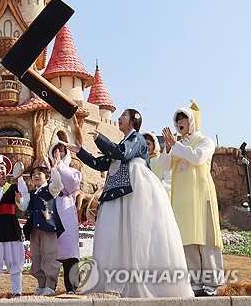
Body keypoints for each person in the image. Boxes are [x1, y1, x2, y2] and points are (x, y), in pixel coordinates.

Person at [67, 108, 193, 298]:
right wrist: (81, 152)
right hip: (118, 191)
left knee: (136, 232)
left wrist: (100, 138)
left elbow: (123, 155)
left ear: (133, 121)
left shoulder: (137, 139)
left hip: (134, 189)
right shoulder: (122, 143)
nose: (118, 118)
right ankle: (115, 280)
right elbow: (100, 163)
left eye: (123, 116)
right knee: (116, 234)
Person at [160, 100, 224, 296]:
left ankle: (211, 285)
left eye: (183, 118)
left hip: (201, 198)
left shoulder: (205, 141)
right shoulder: (178, 144)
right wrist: (168, 148)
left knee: (205, 240)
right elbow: (164, 166)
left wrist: (176, 145)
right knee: (187, 241)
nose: (179, 122)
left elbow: (196, 158)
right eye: (177, 119)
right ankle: (195, 285)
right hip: (181, 201)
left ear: (192, 122)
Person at [0, 154, 28, 297]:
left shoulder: (14, 186)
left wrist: (20, 177)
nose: (0, 171)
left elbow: (24, 199)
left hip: (10, 225)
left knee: (15, 261)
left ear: (7, 170)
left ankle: (17, 292)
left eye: (2, 168)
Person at [16, 163, 64, 296]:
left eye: (39, 173)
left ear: (47, 177)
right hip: (34, 229)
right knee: (37, 257)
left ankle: (50, 285)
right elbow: (24, 206)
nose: (36, 176)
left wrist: (53, 169)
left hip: (48, 227)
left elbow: (58, 185)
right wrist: (19, 201)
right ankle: (41, 285)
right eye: (33, 175)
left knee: (49, 255)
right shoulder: (32, 193)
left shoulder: (50, 189)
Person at [48, 141, 82, 294]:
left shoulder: (73, 171)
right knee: (51, 252)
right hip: (52, 211)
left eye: (61, 152)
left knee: (70, 252)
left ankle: (72, 287)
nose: (58, 155)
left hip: (67, 211)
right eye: (55, 152)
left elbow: (73, 184)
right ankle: (49, 286)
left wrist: (60, 166)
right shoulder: (47, 171)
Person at [142, 131, 171, 195]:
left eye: (148, 144)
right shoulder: (140, 162)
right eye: (143, 144)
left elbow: (169, 181)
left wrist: (155, 187)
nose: (145, 146)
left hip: (161, 197)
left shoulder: (162, 159)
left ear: (154, 145)